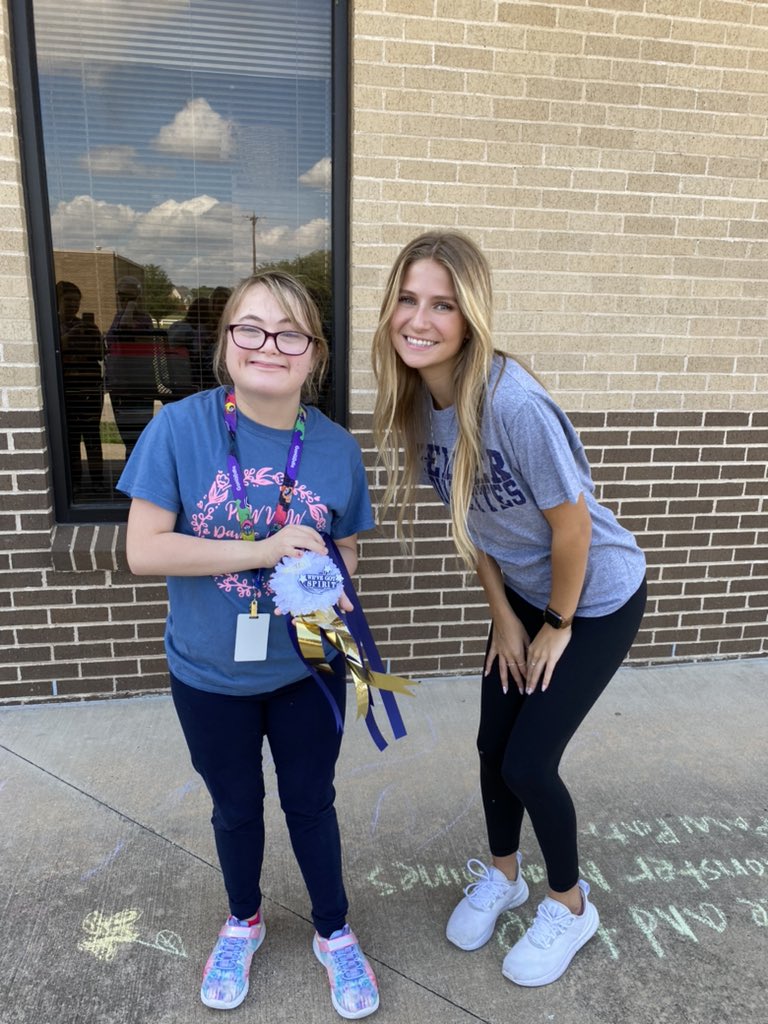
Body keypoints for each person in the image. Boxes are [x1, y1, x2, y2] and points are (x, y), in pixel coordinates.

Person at [372, 231, 646, 988]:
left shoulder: (513, 402)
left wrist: (555, 625)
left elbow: (574, 526)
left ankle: (570, 902)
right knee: (494, 743)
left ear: (471, 318)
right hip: (526, 600)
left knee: (530, 760)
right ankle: (504, 875)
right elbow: (475, 523)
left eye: (442, 304)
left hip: (595, 598)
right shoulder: (418, 403)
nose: (419, 319)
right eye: (407, 298)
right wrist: (505, 616)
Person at [118, 271, 380, 1019]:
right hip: (207, 670)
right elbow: (146, 550)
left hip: (306, 670)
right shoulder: (179, 428)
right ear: (226, 343)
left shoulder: (333, 448)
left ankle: (333, 930)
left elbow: (348, 552)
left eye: (291, 332)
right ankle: (244, 921)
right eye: (251, 328)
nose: (270, 345)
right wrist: (263, 551)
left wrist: (325, 576)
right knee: (235, 808)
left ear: (314, 354)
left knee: (311, 803)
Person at [56, 280, 105, 491]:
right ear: (57, 301)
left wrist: (92, 336)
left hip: (90, 389)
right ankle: (75, 482)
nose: (73, 305)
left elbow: (101, 355)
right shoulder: (51, 326)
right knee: (72, 438)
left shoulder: (87, 327)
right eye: (68, 300)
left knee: (93, 436)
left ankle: (98, 482)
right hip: (67, 390)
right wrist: (68, 338)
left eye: (76, 301)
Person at [104, 275, 156, 458]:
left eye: (129, 296)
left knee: (140, 439)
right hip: (119, 385)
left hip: (138, 385)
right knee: (127, 438)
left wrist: (130, 308)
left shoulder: (143, 319)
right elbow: (110, 343)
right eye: (121, 296)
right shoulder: (117, 317)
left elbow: (127, 330)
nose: (123, 300)